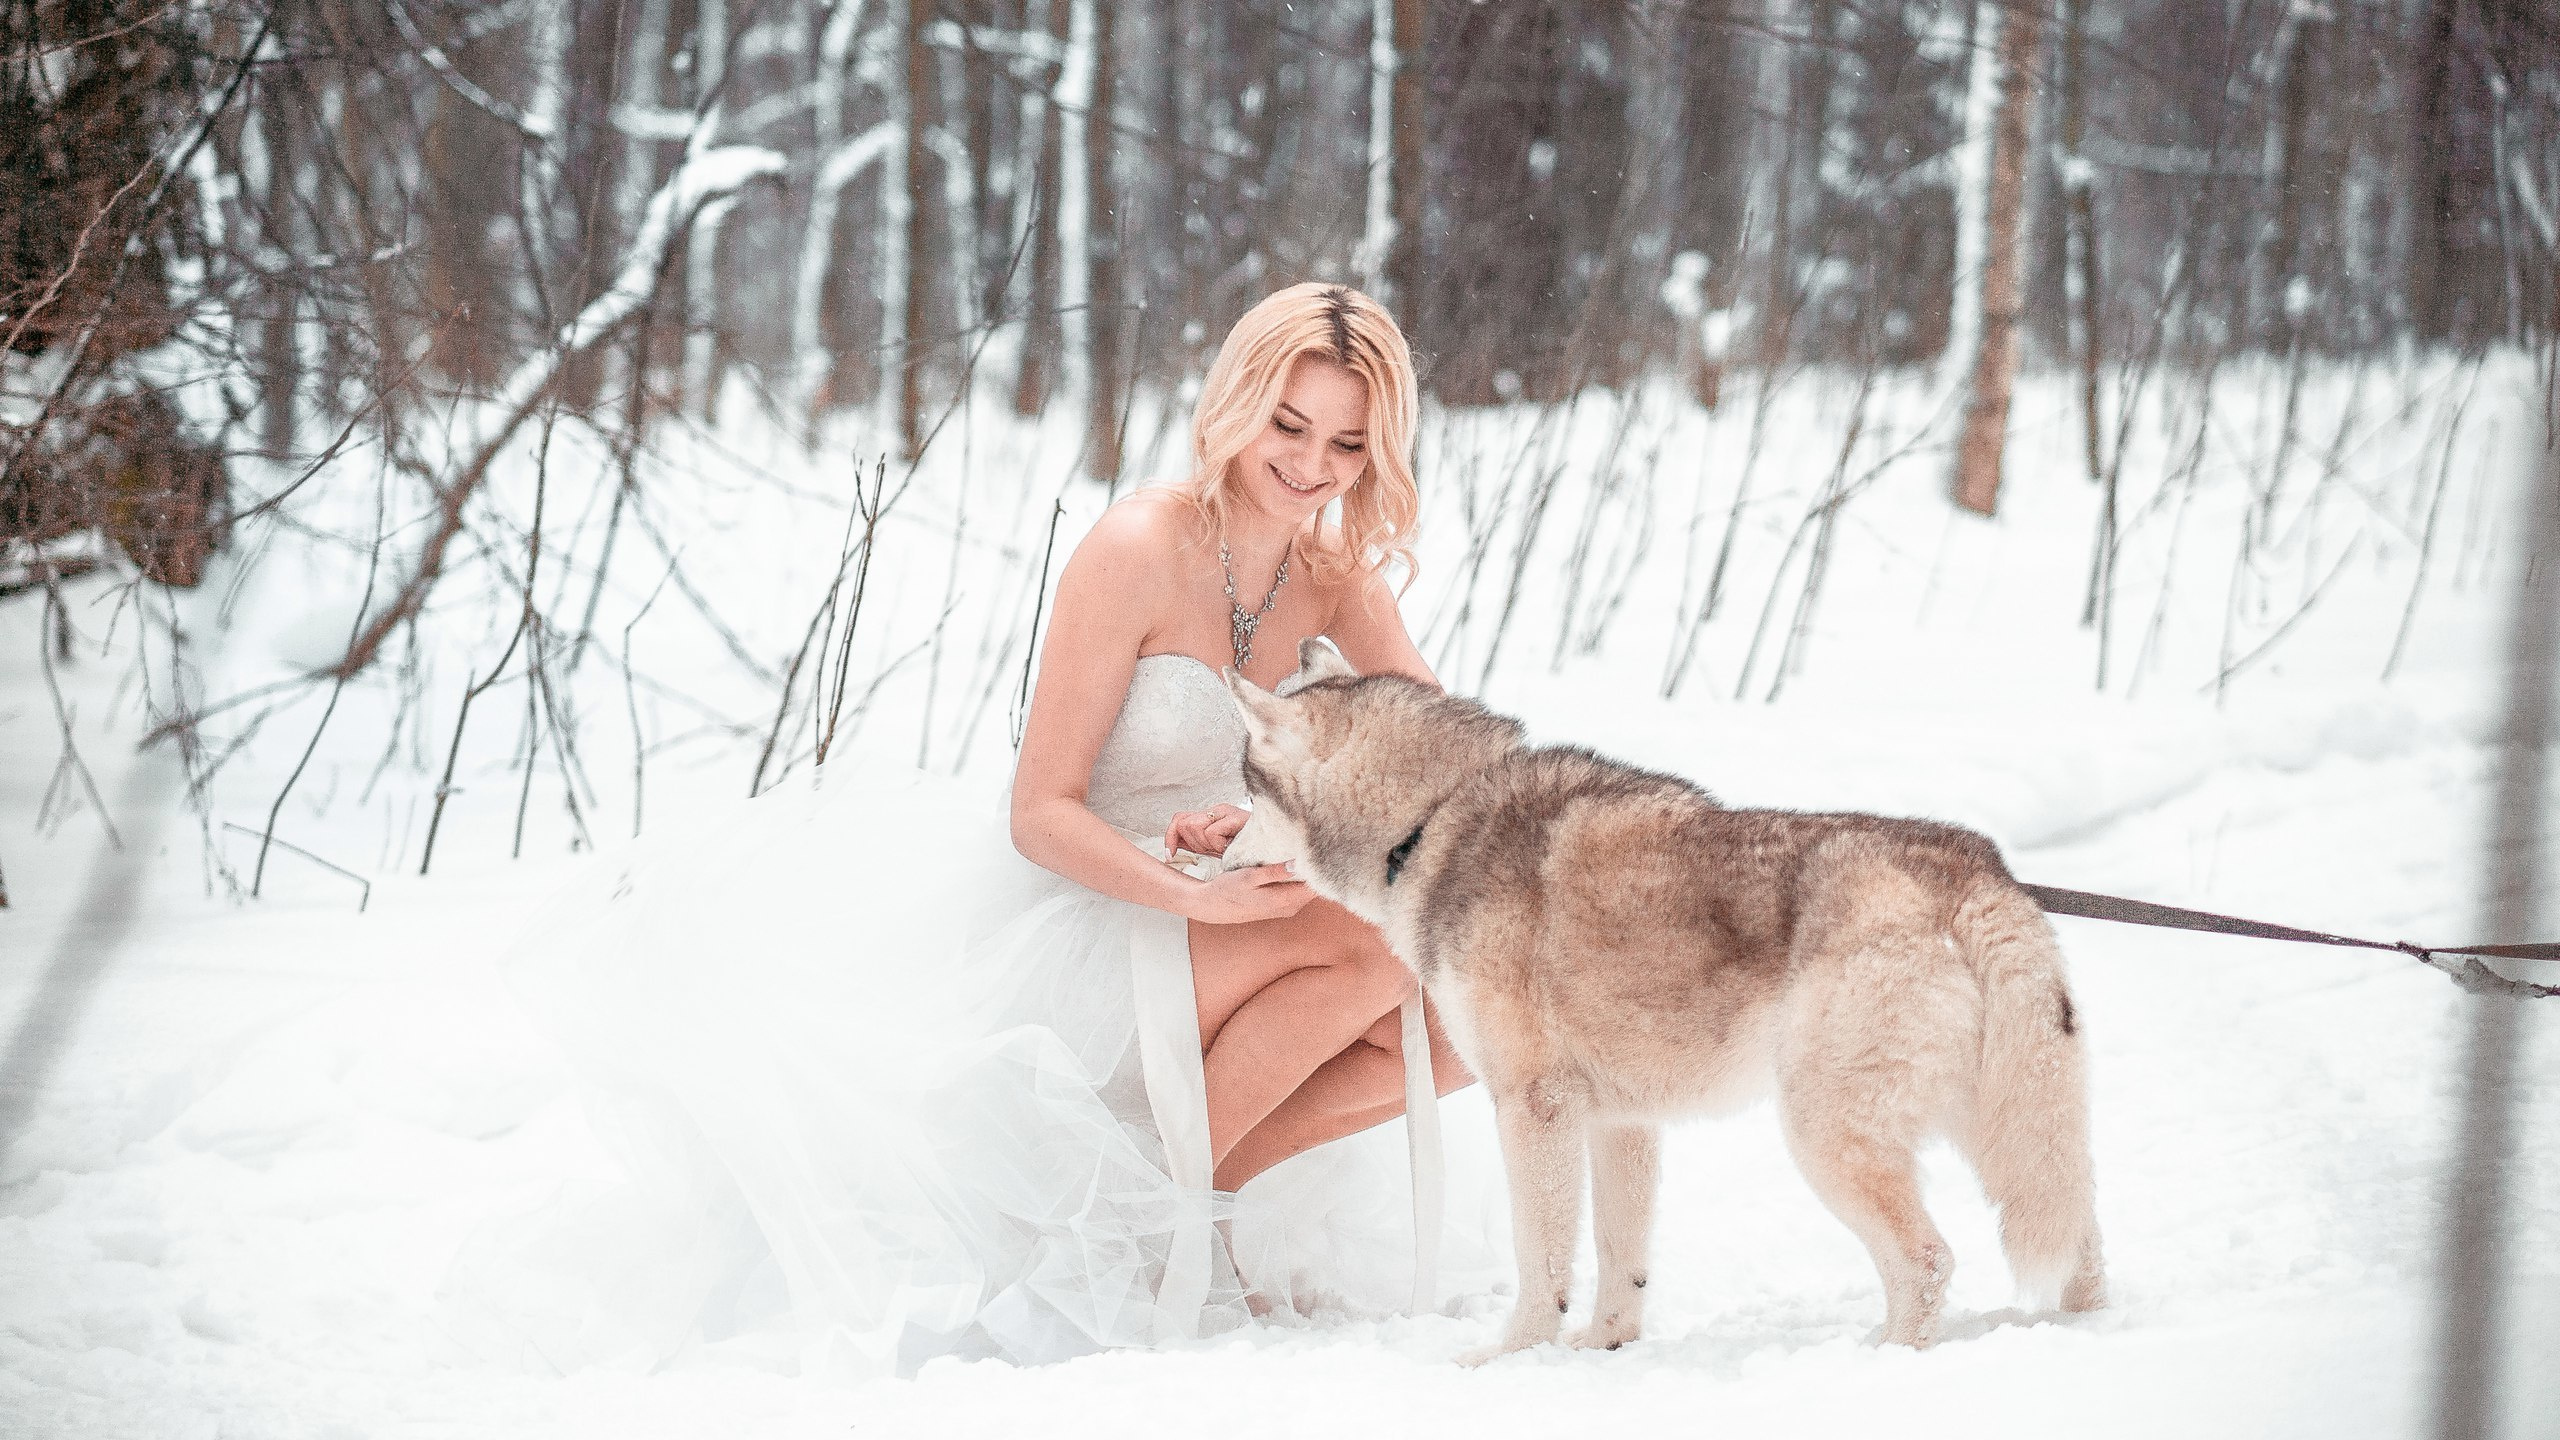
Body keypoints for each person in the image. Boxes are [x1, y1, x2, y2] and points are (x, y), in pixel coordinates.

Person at [444, 283, 1487, 1380]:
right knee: (1374, 940)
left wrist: (1279, 814)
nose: (1311, 464)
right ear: (1236, 401)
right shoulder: (1137, 545)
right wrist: (1185, 891)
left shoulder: (1336, 583)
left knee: (1471, 1017)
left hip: (1231, 917)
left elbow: (1453, 767)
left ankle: (1173, 1197)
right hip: (1099, 913)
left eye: (1346, 443)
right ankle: (1162, 1214)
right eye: (1288, 424)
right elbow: (1039, 811)